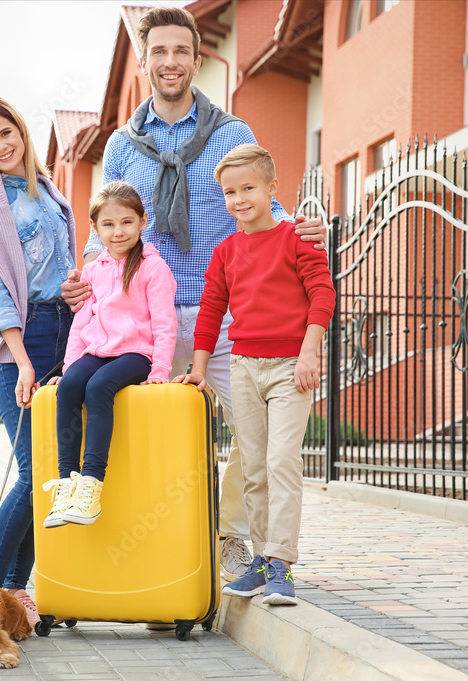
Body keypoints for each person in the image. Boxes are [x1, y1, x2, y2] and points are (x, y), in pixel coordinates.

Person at [60, 6, 328, 583]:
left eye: (181, 51)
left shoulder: (231, 133)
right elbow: (103, 227)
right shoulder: (122, 145)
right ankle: (157, 550)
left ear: (197, 59)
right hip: (144, 316)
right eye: (159, 51)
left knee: (252, 436)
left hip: (227, 313)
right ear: (146, 59)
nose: (171, 61)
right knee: (143, 434)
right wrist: (87, 275)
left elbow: (258, 200)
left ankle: (229, 532)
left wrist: (297, 227)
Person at [175, 144, 335, 605]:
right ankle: (263, 561)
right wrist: (199, 370)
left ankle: (281, 564)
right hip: (244, 368)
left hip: (290, 369)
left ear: (272, 189)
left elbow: (323, 295)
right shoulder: (225, 251)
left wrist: (309, 354)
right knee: (254, 469)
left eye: (248, 188)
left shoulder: (296, 238)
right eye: (230, 192)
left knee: (282, 460)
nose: (240, 199)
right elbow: (210, 311)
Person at [0, 97, 77, 625]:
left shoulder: (46, 190)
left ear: (22, 134)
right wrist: (24, 361)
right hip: (21, 345)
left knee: (53, 474)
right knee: (32, 473)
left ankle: (14, 591)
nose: (1, 146)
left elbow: (59, 265)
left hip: (67, 332)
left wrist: (74, 288)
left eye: (7, 133)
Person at [42, 182, 177, 528]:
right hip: (96, 350)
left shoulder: (152, 267)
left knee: (98, 387)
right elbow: (80, 324)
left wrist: (160, 369)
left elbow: (164, 323)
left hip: (136, 353)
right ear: (96, 229)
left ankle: (91, 486)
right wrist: (69, 367)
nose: (118, 232)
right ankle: (67, 485)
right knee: (70, 386)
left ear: (143, 222)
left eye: (127, 222)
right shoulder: (92, 271)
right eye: (109, 224)